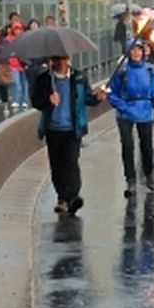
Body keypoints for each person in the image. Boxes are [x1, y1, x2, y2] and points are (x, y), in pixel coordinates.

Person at [31, 54, 102, 215]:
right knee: (57, 165)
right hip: (53, 129)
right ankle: (62, 197)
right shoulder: (44, 79)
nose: (61, 63)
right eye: (57, 59)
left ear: (68, 59)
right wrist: (49, 100)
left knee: (71, 161)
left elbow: (87, 98)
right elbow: (36, 101)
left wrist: (97, 98)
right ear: (52, 61)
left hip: (72, 128)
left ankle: (72, 195)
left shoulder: (78, 77)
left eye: (63, 59)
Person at [106, 39, 154, 197]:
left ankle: (149, 174)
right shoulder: (121, 70)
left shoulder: (149, 70)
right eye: (132, 50)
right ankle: (130, 179)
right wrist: (123, 107)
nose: (136, 53)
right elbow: (111, 93)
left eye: (139, 49)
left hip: (145, 111)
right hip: (125, 112)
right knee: (128, 146)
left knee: (146, 146)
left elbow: (153, 90)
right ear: (128, 52)